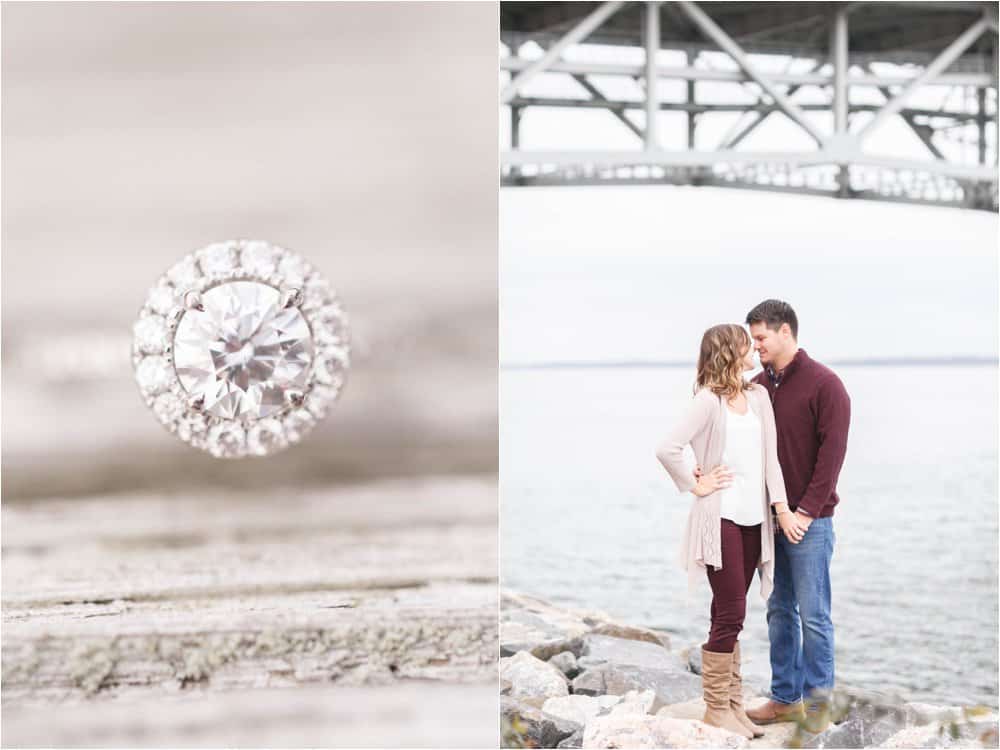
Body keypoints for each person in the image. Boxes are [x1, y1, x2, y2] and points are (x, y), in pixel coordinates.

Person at [656, 323, 803, 740]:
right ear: (729, 351)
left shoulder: (757, 397)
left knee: (731, 615)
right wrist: (695, 483)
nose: (753, 348)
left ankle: (733, 707)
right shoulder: (707, 400)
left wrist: (780, 508)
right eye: (746, 342)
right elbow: (666, 448)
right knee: (731, 611)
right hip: (720, 519)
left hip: (756, 521)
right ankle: (716, 708)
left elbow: (770, 460)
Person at [742, 300, 850, 732]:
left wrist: (804, 513)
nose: (756, 348)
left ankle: (819, 707)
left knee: (814, 615)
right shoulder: (755, 387)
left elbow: (832, 457)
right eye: (752, 340)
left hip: (812, 522)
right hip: (770, 520)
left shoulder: (826, 385)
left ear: (785, 332)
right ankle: (785, 699)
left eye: (761, 338)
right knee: (778, 611)